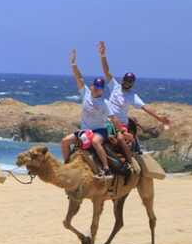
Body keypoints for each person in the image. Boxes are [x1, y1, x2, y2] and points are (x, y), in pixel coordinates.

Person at [99, 41, 172, 153]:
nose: (127, 83)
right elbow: (106, 71)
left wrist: (159, 118)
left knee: (119, 139)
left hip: (121, 124)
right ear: (123, 80)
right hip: (107, 121)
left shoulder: (132, 96)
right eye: (126, 80)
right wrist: (103, 55)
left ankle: (129, 161)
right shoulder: (114, 86)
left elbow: (145, 107)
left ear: (132, 83)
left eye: (130, 82)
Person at [60, 49, 113, 178]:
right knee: (65, 141)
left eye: (100, 88)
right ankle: (67, 163)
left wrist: (118, 131)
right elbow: (79, 78)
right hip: (84, 131)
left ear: (102, 90)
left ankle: (106, 168)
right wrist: (73, 64)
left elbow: (112, 118)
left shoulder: (105, 103)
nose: (97, 90)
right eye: (96, 87)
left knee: (95, 142)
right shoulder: (86, 94)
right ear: (92, 86)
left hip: (99, 131)